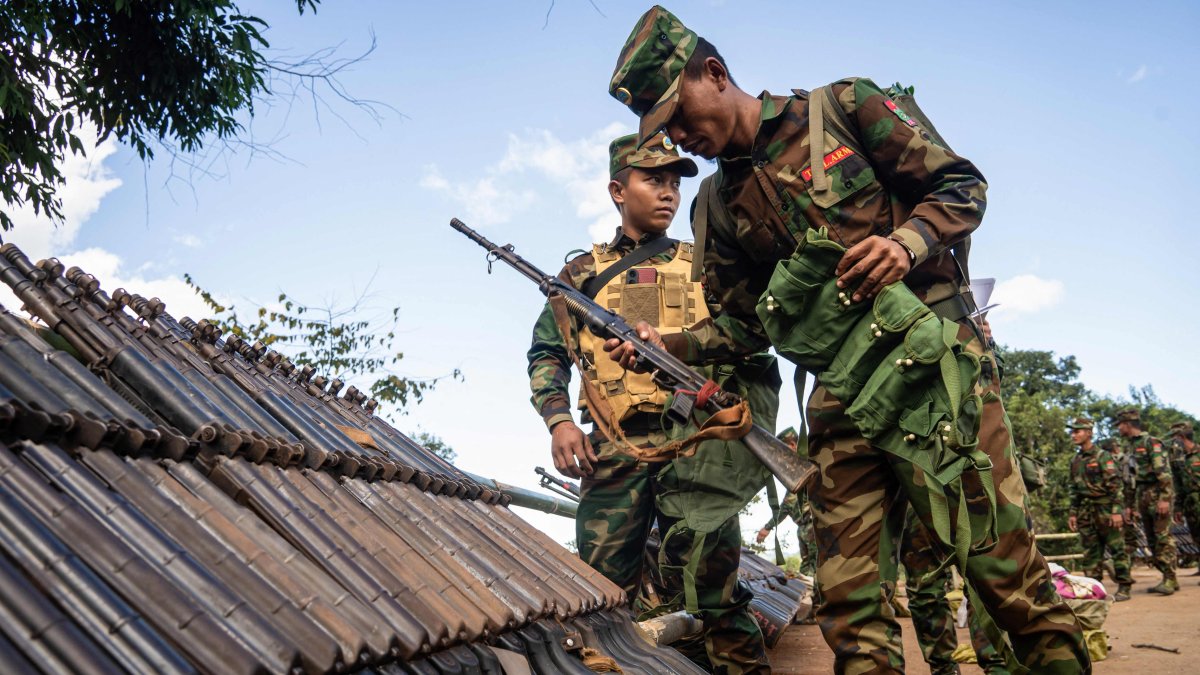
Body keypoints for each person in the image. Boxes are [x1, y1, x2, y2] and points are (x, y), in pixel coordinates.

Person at [604, 6, 1089, 674]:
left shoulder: (847, 107)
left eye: (679, 115)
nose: (680, 138)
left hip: (932, 370)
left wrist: (905, 243)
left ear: (714, 73)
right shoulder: (713, 204)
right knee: (850, 608)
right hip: (842, 400)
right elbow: (743, 332)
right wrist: (665, 345)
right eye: (663, 130)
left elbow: (961, 184)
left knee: (1006, 577)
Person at [525, 131, 773, 673]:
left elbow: (747, 337)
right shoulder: (581, 277)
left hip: (696, 449)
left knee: (718, 595)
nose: (668, 193)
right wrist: (559, 419)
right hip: (614, 452)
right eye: (653, 180)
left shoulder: (703, 264)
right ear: (618, 189)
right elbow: (547, 352)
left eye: (674, 183)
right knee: (600, 602)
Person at [1066, 417, 1132, 601]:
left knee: (1117, 548)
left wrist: (1117, 511)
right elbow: (1074, 490)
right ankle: (1093, 587)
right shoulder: (1075, 460)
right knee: (1090, 550)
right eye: (1072, 431)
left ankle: (1124, 586)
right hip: (1086, 511)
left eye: (1077, 431)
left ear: (1088, 433)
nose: (1074, 435)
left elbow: (1116, 486)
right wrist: (1073, 513)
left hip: (1106, 508)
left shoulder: (1103, 456)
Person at [1113, 408, 1177, 594]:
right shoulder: (1130, 447)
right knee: (1151, 539)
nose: (1118, 429)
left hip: (1157, 493)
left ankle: (1170, 579)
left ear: (1127, 424)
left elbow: (1164, 473)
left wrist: (1164, 499)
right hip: (1142, 495)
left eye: (1120, 425)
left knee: (1163, 537)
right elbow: (1129, 479)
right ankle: (1167, 576)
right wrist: (1129, 506)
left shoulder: (1152, 443)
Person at [755, 427, 817, 578]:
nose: (782, 457)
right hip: (805, 526)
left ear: (792, 446)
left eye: (783, 450)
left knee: (816, 569)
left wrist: (768, 527)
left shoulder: (807, 464)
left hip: (814, 525)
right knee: (807, 570)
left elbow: (787, 506)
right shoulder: (800, 467)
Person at [1167, 421, 1200, 578]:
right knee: (1196, 536)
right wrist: (1178, 508)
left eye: (1174, 438)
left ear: (1181, 437)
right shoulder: (1179, 460)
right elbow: (1178, 486)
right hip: (1190, 504)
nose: (1172, 443)